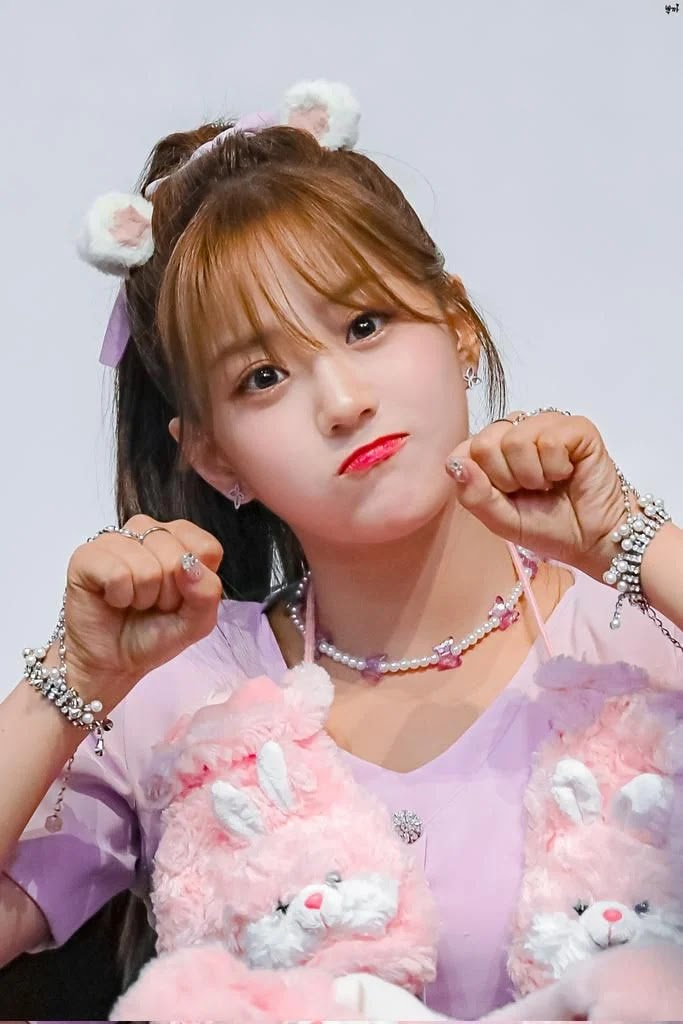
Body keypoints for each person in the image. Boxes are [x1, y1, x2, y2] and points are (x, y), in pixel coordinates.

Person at [0, 80, 681, 1021]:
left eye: (364, 325)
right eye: (263, 376)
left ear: (456, 324)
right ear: (213, 455)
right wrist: (70, 679)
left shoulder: (642, 636)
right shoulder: (185, 697)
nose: (342, 401)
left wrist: (631, 544)